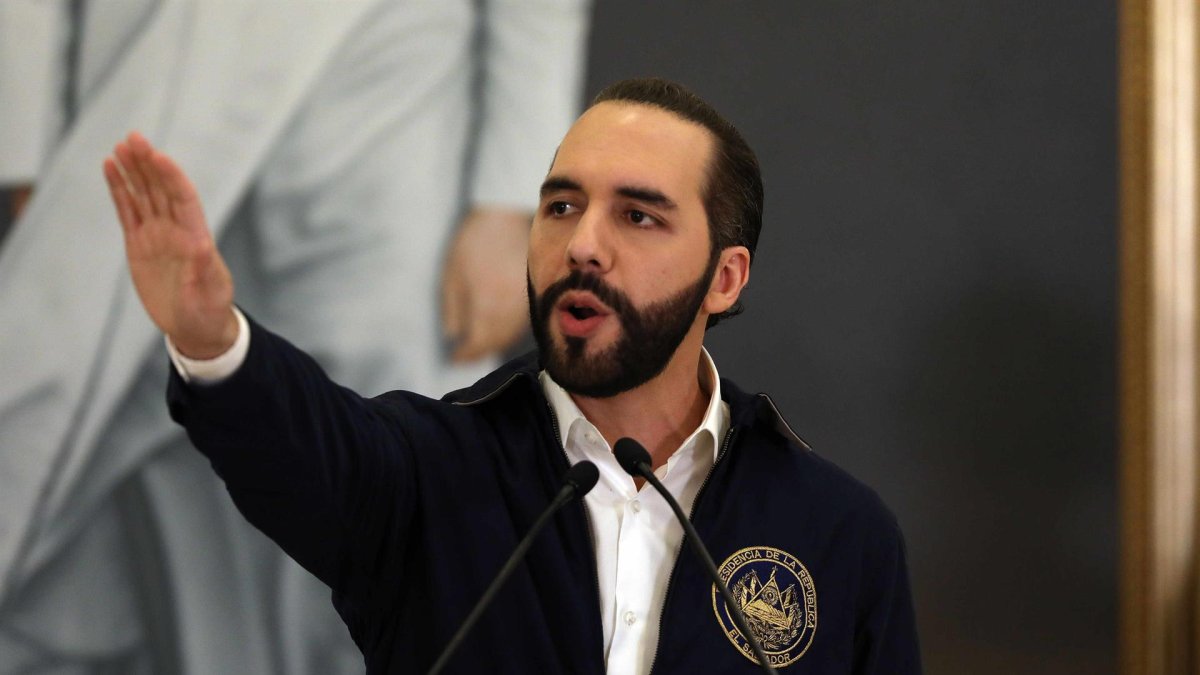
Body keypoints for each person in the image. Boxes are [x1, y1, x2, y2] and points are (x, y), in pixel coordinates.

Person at [105, 78, 921, 673]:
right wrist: (211, 336)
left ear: (725, 278)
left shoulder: (840, 531)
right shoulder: (427, 471)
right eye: (562, 207)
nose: (583, 245)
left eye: (638, 216)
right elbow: (299, 443)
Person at [0, 1, 589, 672]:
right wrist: (25, 146)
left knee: (391, 468)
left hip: (383, 75)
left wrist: (513, 198)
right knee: (154, 483)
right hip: (142, 65)